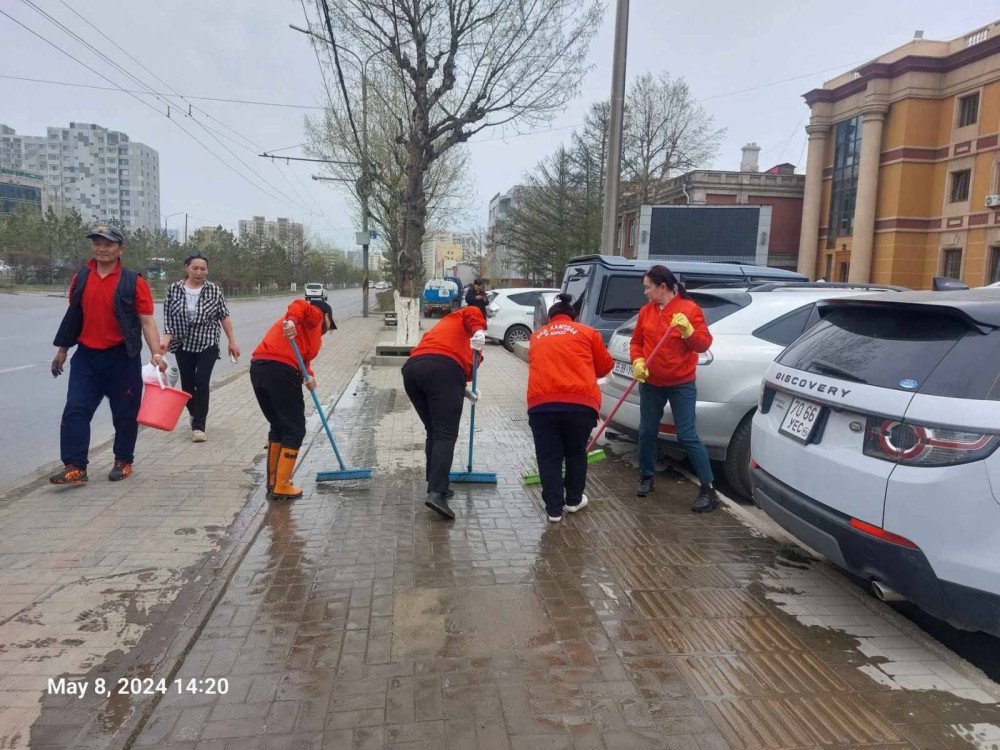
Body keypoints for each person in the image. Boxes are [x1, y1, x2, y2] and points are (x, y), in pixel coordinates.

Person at [49, 225, 166, 485]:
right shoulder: (81, 278)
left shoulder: (134, 282)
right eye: (97, 243)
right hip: (87, 358)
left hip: (122, 357)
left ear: (120, 249)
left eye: (108, 244)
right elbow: (74, 317)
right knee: (75, 410)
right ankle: (75, 466)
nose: (102, 248)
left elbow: (147, 321)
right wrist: (62, 351)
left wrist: (156, 355)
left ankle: (123, 460)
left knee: (124, 414)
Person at [630, 264, 718, 513]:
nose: (645, 292)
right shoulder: (646, 312)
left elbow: (702, 344)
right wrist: (637, 361)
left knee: (687, 434)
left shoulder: (689, 310)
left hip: (681, 382)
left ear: (663, 287)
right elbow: (637, 342)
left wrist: (688, 331)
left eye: (648, 287)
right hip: (652, 383)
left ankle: (708, 489)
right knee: (647, 430)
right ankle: (647, 476)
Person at [527, 293, 614, 522]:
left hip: (542, 405)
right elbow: (606, 366)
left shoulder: (536, 337)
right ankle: (574, 501)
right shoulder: (587, 332)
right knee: (576, 453)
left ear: (550, 318)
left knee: (548, 457)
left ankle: (553, 509)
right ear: (573, 317)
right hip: (580, 405)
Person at [402, 305, 486, 520]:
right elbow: (472, 311)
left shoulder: (441, 329)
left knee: (434, 431)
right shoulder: (461, 317)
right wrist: (479, 330)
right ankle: (437, 493)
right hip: (442, 371)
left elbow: (464, 368)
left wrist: (465, 390)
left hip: (413, 370)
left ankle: (436, 484)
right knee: (445, 434)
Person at [250, 298, 336, 500]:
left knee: (279, 426)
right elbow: (300, 303)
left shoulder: (307, 334)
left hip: (259, 368)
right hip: (280, 370)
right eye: (330, 325)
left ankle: (274, 482)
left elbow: (303, 359)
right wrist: (290, 321)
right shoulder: (313, 316)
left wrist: (309, 375)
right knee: (295, 428)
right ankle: (281, 484)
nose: (327, 330)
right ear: (326, 316)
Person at [160, 253, 240, 442]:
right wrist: (163, 343)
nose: (199, 272)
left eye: (203, 268)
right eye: (195, 268)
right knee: (187, 384)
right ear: (186, 268)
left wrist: (232, 341)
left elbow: (224, 316)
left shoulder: (213, 290)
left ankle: (199, 426)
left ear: (207, 270)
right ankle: (194, 412)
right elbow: (169, 321)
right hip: (182, 343)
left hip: (207, 342)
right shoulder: (174, 290)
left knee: (202, 381)